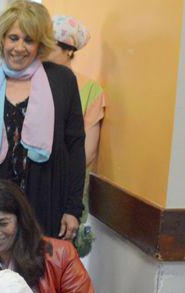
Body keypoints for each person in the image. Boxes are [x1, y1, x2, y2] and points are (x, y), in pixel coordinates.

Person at [0, 0, 86, 242]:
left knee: (40, 277)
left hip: (46, 206)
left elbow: (75, 147)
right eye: (13, 38)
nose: (19, 47)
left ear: (40, 44)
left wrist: (72, 209)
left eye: (28, 40)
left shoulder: (62, 82)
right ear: (2, 40)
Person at [47, 15, 106, 257]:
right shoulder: (33, 82)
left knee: (60, 255)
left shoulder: (91, 90)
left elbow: (88, 150)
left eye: (49, 45)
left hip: (67, 184)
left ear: (69, 50)